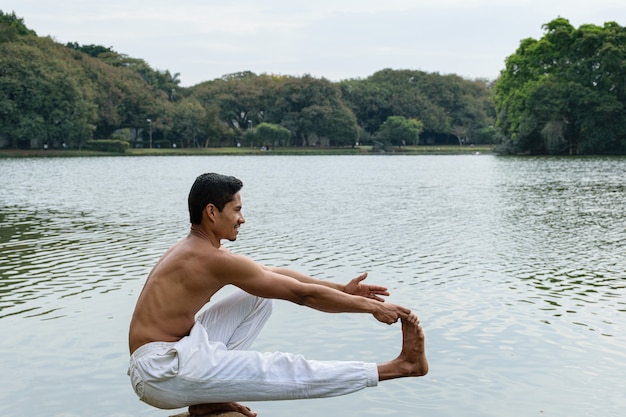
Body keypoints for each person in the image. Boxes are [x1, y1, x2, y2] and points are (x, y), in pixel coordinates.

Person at [128, 172, 428, 417]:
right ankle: (399, 367)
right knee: (279, 368)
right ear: (211, 212)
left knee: (258, 296)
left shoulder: (195, 250)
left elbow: (275, 274)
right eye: (237, 210)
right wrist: (369, 307)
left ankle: (209, 401)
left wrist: (341, 289)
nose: (242, 219)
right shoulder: (209, 259)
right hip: (160, 373)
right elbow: (302, 295)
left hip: (167, 358)